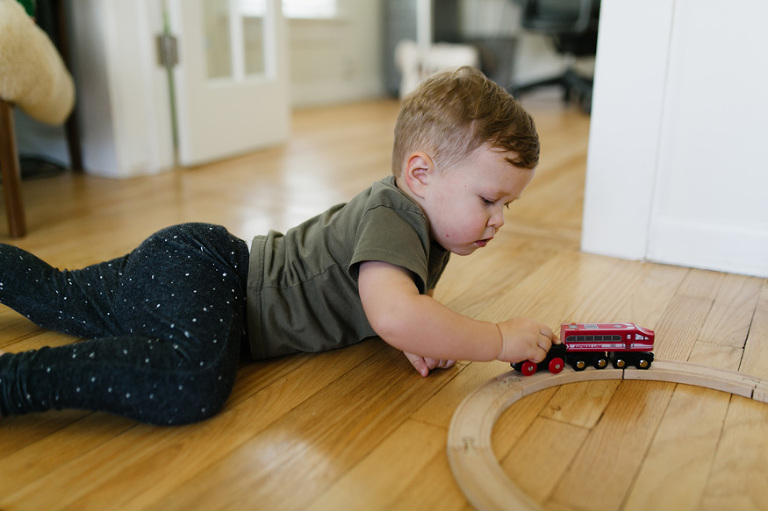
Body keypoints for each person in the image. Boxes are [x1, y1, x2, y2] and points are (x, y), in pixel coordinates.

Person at [0, 66, 558, 425]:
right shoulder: (396, 215)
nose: (500, 219)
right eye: (489, 199)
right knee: (189, 383)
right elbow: (394, 312)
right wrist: (496, 339)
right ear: (420, 174)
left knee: (59, 293)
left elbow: (392, 306)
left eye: (508, 205)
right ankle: (14, 383)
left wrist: (418, 331)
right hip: (213, 280)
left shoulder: (414, 220)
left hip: (196, 266)